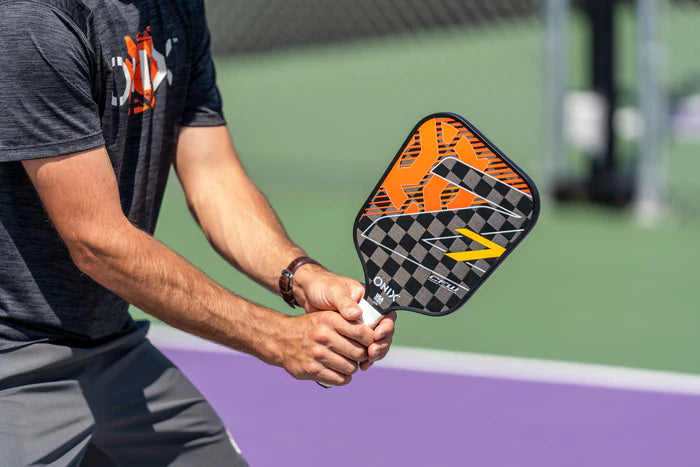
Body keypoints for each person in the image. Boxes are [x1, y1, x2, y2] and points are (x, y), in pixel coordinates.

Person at [0, 0, 397, 464]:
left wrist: (302, 276)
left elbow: (214, 177)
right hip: (13, 357)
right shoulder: (33, 17)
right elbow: (98, 242)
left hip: (112, 346)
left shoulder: (175, 6)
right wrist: (276, 337)